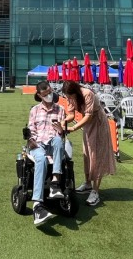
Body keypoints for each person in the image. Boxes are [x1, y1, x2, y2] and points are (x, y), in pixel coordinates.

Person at [60, 80, 116, 207]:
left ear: (75, 92)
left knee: (96, 155)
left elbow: (88, 116)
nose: (69, 99)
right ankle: (87, 183)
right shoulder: (69, 96)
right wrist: (63, 122)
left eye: (70, 96)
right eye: (67, 96)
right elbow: (71, 115)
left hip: (98, 123)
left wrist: (73, 128)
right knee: (87, 153)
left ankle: (95, 191)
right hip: (87, 126)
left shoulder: (87, 94)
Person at [27, 80, 67, 227]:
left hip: (53, 143)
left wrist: (61, 130)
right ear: (40, 95)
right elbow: (31, 130)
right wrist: (31, 140)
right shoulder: (34, 110)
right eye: (45, 94)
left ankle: (55, 182)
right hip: (38, 144)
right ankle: (37, 205)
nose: (49, 95)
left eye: (50, 92)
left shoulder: (60, 109)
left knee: (58, 140)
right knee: (41, 159)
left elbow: (62, 133)